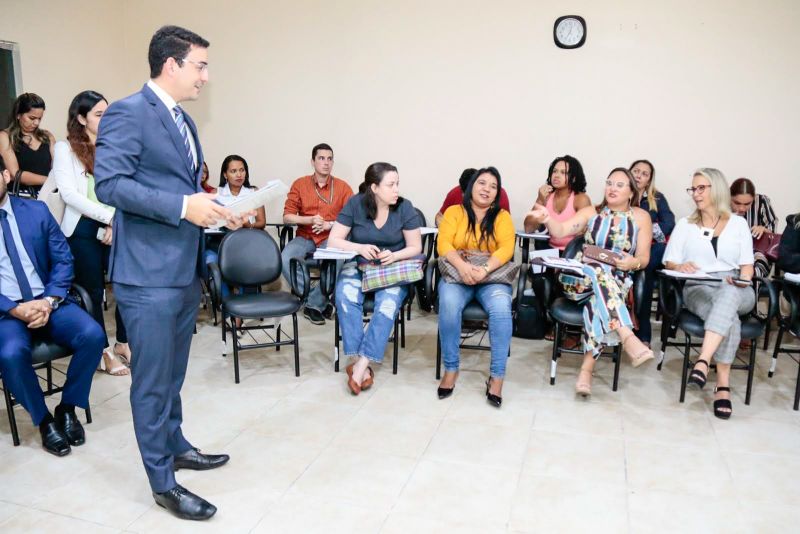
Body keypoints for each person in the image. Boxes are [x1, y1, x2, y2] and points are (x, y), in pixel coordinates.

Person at [94, 25, 249, 521]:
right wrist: (184, 207)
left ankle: (176, 443)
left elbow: (187, 190)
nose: (206, 76)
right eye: (200, 65)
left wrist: (222, 208)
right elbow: (111, 185)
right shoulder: (127, 112)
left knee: (174, 372)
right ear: (172, 64)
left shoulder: (184, 121)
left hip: (182, 269)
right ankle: (162, 481)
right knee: (153, 380)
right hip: (147, 273)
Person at [0, 160, 105, 456]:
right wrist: (14, 309)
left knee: (93, 334)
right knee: (9, 353)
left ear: (6, 175)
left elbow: (63, 260)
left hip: (49, 301)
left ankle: (68, 408)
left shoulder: (36, 211)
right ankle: (44, 421)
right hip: (6, 312)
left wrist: (47, 301)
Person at [528, 168, 654, 397]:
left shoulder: (641, 217)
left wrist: (632, 263)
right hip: (577, 280)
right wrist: (548, 219)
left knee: (599, 301)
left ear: (631, 192)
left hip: (615, 283)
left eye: (619, 185)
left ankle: (586, 370)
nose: (612, 188)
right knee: (596, 268)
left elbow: (644, 258)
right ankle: (627, 335)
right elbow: (562, 230)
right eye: (609, 183)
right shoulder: (591, 212)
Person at [663, 168, 755, 419]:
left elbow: (747, 265)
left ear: (717, 189)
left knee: (729, 293)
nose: (696, 193)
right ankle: (722, 386)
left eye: (701, 188)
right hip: (699, 287)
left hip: (737, 286)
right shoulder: (685, 224)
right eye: (693, 189)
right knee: (729, 317)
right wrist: (679, 266)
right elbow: (669, 261)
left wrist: (743, 280)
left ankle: (703, 360)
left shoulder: (739, 224)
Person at [53, 90, 131, 377]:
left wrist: (114, 222)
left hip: (113, 225)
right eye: (99, 114)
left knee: (124, 285)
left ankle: (123, 342)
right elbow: (70, 194)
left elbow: (121, 188)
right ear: (81, 118)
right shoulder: (66, 148)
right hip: (82, 228)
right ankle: (102, 352)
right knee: (93, 292)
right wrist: (109, 218)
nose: (106, 118)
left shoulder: (113, 146)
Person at [327, 162, 422, 395]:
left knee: (387, 306)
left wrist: (394, 254)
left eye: (397, 183)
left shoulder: (405, 207)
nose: (396, 189)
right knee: (345, 296)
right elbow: (334, 240)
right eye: (391, 184)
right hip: (360, 265)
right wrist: (359, 247)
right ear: (374, 187)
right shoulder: (356, 204)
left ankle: (360, 365)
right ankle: (363, 362)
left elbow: (415, 246)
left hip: (392, 268)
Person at [436, 167, 516, 407]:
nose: (487, 189)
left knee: (502, 310)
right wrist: (462, 267)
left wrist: (483, 270)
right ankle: (451, 369)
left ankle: (497, 377)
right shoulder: (453, 212)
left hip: (490, 277)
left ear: (497, 194)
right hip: (457, 273)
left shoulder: (502, 217)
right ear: (471, 187)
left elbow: (506, 248)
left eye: (493, 186)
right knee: (448, 305)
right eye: (482, 183)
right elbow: (443, 243)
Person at [282, 143, 353, 325]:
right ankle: (318, 297)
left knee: (337, 260)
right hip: (304, 236)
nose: (326, 163)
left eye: (329, 159)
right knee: (285, 258)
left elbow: (353, 218)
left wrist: (329, 225)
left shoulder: (343, 187)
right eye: (321, 158)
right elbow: (287, 217)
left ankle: (313, 304)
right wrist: (310, 220)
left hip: (330, 237)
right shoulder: (300, 184)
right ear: (312, 161)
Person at [629, 159, 675, 347]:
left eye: (644, 173)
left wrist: (645, 231)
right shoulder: (622, 194)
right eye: (636, 171)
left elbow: (669, 223)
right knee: (641, 271)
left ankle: (643, 333)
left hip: (654, 248)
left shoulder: (657, 198)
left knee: (644, 268)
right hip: (629, 249)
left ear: (649, 180)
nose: (639, 175)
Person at [523, 155, 592, 251]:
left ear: (574, 178)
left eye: (563, 172)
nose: (556, 175)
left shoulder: (580, 199)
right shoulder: (546, 195)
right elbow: (528, 228)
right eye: (554, 171)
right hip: (549, 251)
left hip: (572, 253)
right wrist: (540, 200)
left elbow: (583, 236)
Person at [0, 93, 56, 198]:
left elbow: (58, 167)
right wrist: (51, 181)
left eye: (40, 118)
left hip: (49, 196)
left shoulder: (47, 136)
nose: (36, 123)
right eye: (32, 118)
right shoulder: (5, 137)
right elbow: (15, 174)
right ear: (18, 115)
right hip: (21, 197)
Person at [730, 177, 778, 278]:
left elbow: (773, 234)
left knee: (758, 266)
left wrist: (764, 229)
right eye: (737, 203)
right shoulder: (721, 204)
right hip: (730, 251)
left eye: (747, 204)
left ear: (754, 198)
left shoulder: (761, 201)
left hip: (756, 251)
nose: (742, 208)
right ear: (729, 197)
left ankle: (750, 288)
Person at [435, 168, 511, 226]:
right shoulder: (455, 192)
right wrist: (446, 227)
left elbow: (506, 225)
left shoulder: (498, 194)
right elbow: (439, 217)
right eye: (466, 195)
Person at [215, 154, 266, 228]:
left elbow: (262, 223)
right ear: (225, 175)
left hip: (247, 235)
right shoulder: (216, 193)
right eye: (233, 171)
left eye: (242, 170)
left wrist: (249, 225)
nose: (239, 175)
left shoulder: (254, 192)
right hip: (222, 236)